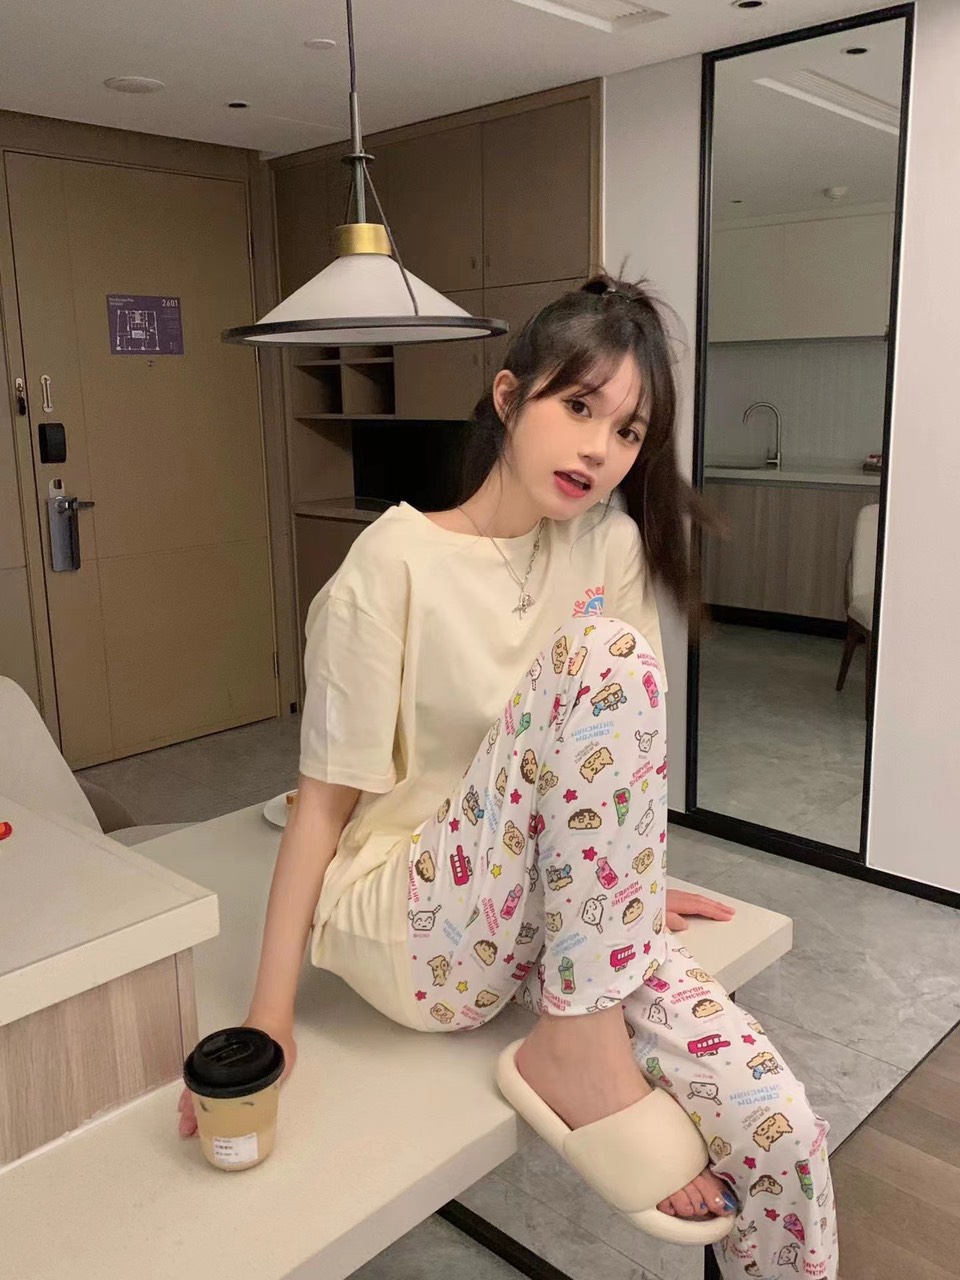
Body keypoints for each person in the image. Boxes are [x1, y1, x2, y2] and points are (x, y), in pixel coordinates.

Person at [179, 276, 837, 1279]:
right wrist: (269, 1017)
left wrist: (627, 886)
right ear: (507, 397)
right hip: (413, 923)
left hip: (548, 917)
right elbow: (322, 809)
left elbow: (612, 756)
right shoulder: (391, 565)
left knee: (779, 1128)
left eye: (628, 431)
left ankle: (592, 1037)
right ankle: (577, 1051)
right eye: (578, 406)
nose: (600, 449)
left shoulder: (609, 544)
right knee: (603, 656)